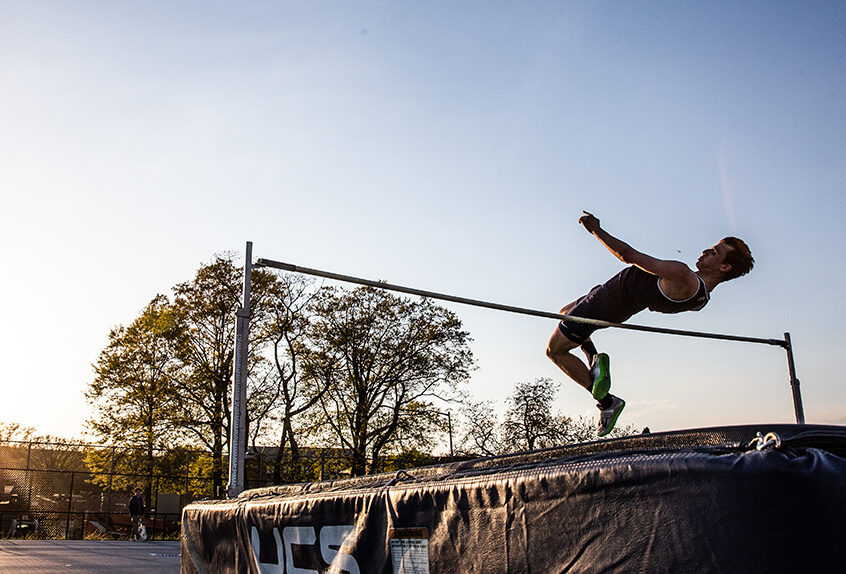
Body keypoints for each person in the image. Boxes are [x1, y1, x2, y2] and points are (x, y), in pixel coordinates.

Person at [546, 211, 754, 437]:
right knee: (565, 312)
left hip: (606, 301)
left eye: (714, 252)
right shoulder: (701, 300)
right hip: (616, 305)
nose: (705, 251)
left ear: (725, 267)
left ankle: (607, 403)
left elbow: (627, 255)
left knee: (555, 351)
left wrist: (596, 230)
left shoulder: (683, 276)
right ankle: (594, 362)